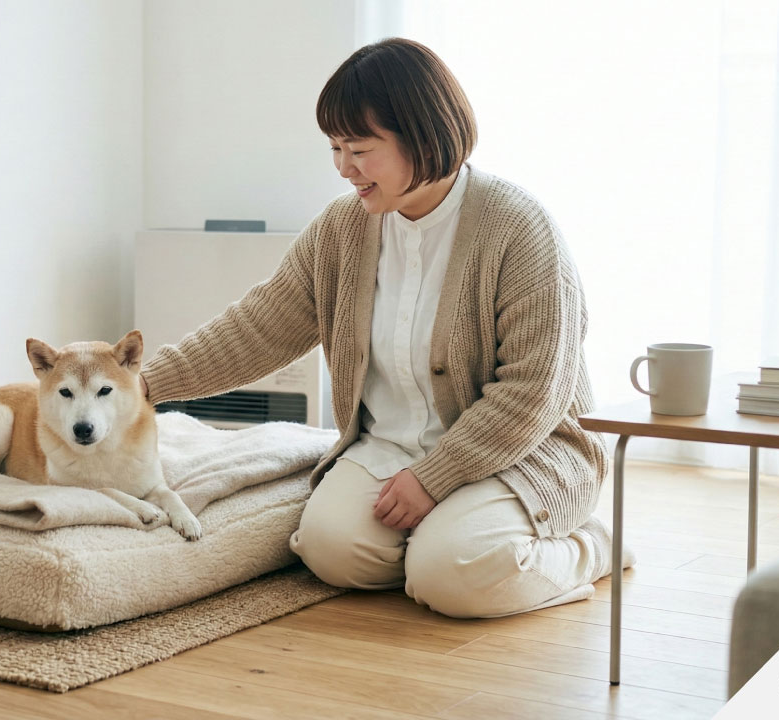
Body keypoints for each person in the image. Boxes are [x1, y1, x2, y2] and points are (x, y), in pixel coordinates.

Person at [138, 37, 630, 618]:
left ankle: (593, 546)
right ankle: (447, 546)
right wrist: (137, 387)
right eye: (335, 147)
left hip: (521, 450)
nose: (344, 168)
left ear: (423, 135)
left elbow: (534, 392)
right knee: (330, 552)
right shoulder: (342, 230)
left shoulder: (518, 228)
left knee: (453, 576)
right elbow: (258, 327)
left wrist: (436, 479)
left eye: (360, 148)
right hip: (389, 448)